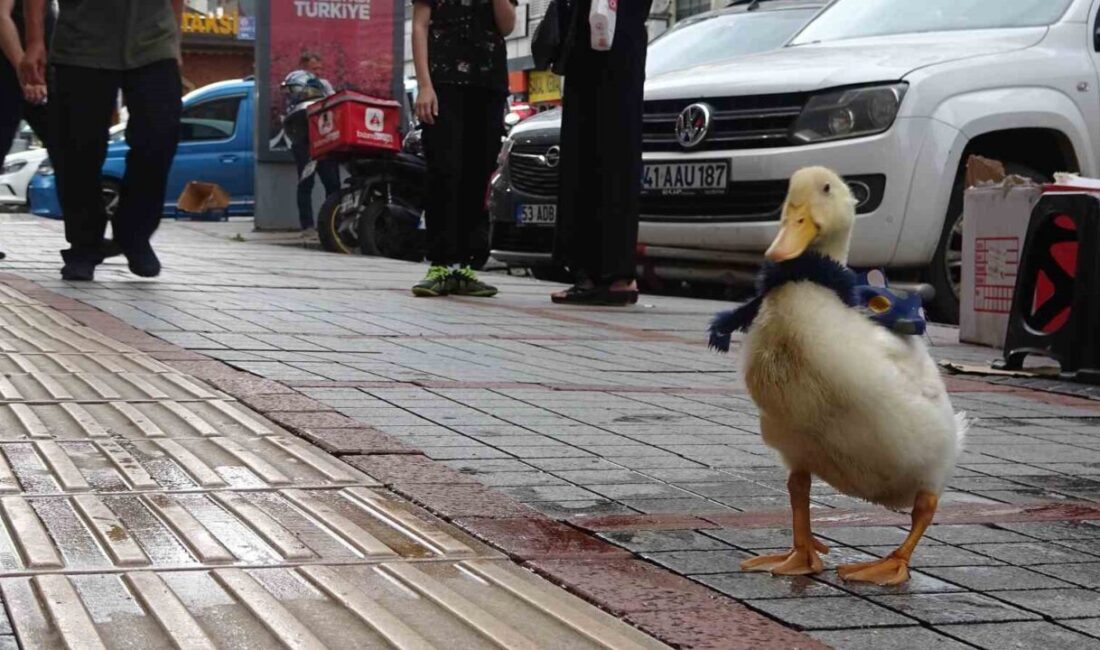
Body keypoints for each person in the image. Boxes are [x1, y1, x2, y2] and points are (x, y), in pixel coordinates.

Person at [20, 0, 183, 281]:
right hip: (81, 45)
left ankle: (134, 234)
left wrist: (176, 40)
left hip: (154, 43)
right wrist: (35, 41)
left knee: (159, 136)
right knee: (77, 148)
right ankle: (84, 245)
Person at [410, 0, 516, 298]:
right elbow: (419, 26)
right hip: (443, 83)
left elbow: (507, 26)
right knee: (445, 169)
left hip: (488, 84)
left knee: (478, 172)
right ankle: (440, 263)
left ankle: (468, 265)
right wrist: (424, 85)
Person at [551, 0, 653, 306]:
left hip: (604, 46)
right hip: (608, 43)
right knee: (611, 153)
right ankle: (611, 273)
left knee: (598, 153)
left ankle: (603, 274)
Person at [0, 0, 53, 261]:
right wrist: (25, 72)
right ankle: (85, 242)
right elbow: (1, 16)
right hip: (15, 70)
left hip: (35, 70)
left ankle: (85, 242)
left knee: (69, 147)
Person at [283, 52, 340, 235]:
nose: (318, 72)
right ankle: (307, 225)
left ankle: (333, 224)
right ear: (304, 66)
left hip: (324, 138)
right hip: (303, 140)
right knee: (306, 182)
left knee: (333, 184)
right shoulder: (294, 82)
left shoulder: (324, 85)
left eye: (320, 69)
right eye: (315, 69)